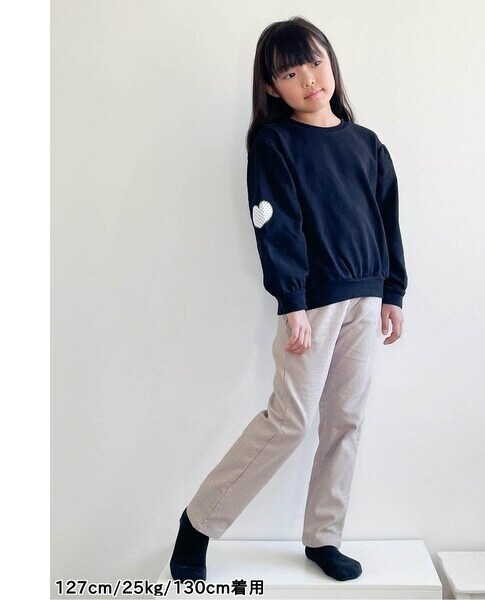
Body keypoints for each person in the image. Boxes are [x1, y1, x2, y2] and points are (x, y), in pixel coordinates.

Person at [169, 15, 408, 583]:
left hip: (366, 297)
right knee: (290, 422)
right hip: (313, 304)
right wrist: (292, 301)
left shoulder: (367, 144)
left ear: (331, 62)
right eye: (290, 73)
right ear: (272, 87)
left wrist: (393, 291)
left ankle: (324, 536)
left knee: (345, 419)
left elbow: (388, 221)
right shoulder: (276, 144)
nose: (309, 79)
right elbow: (274, 226)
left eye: (315, 62)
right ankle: (199, 523)